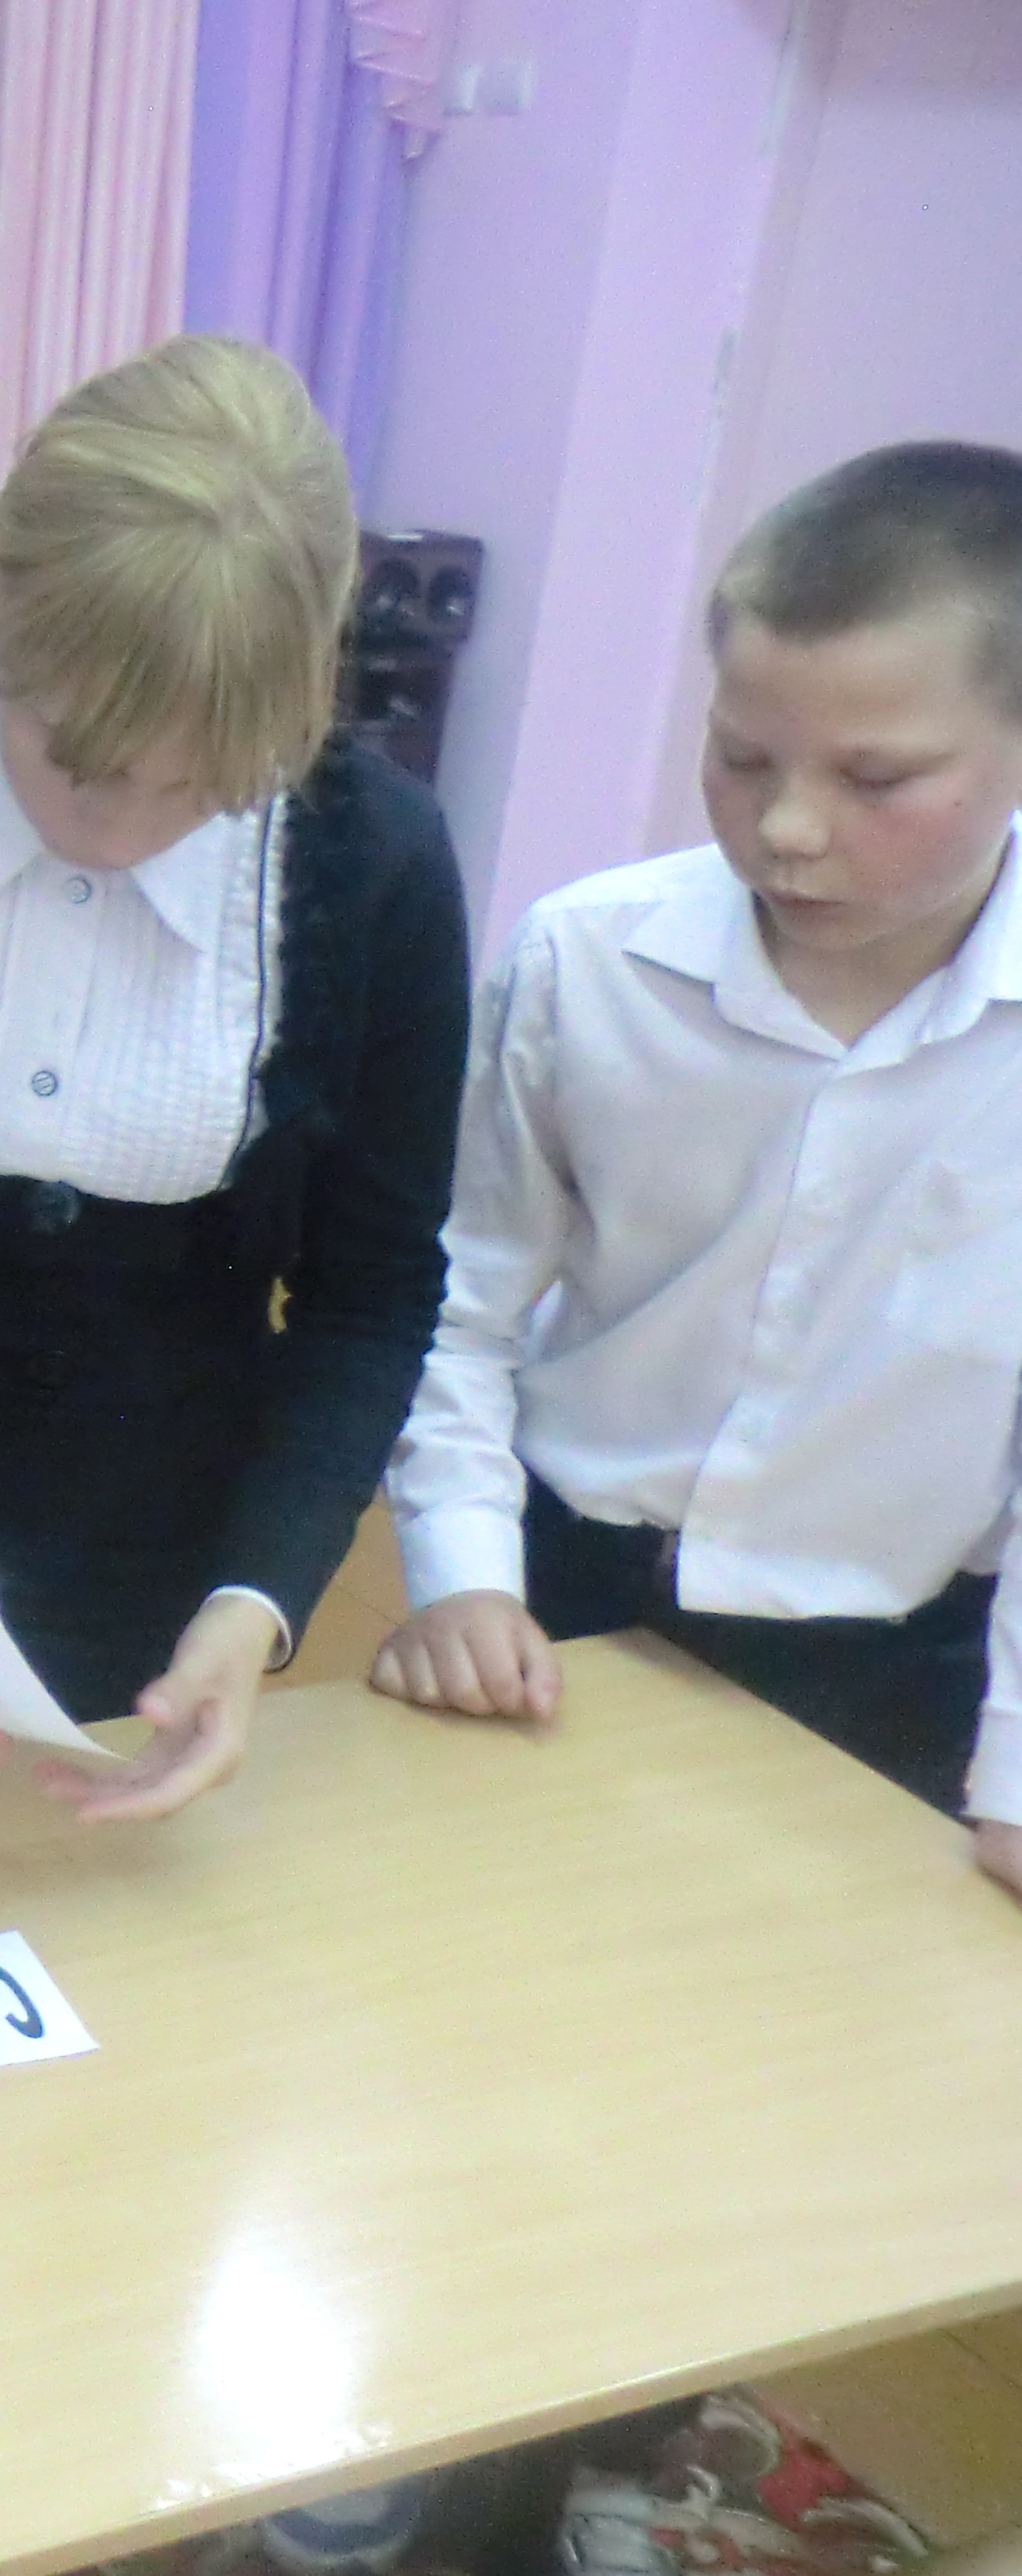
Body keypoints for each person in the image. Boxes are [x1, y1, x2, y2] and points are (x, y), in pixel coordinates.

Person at [0, 337, 471, 1840]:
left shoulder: (374, 863)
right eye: (77, 762)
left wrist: (254, 1609)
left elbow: (372, 1296)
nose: (125, 832)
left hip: (166, 1597)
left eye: (206, 785)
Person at [374, 440, 1022, 1908]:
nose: (787, 827)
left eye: (875, 777)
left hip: (908, 1658)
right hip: (569, 1603)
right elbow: (458, 1300)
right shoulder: (588, 961)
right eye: (740, 757)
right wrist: (463, 1570)